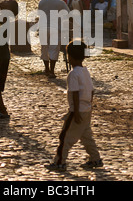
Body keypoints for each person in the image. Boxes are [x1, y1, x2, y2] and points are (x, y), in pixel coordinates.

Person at [45, 41, 103, 171]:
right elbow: (91, 91)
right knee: (86, 136)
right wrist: (89, 107)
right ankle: (95, 158)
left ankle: (59, 162)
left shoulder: (73, 74)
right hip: (86, 109)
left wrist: (75, 112)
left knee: (65, 137)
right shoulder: (85, 72)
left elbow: (75, 94)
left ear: (69, 56)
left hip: (77, 111)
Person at [38, 0, 70, 78]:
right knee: (54, 49)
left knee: (44, 48)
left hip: (43, 28)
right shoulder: (60, 2)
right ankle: (52, 71)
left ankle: (46, 69)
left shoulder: (41, 2)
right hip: (56, 29)